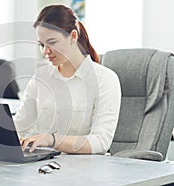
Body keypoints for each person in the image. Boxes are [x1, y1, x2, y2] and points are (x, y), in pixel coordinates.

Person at [13, 4, 121, 154]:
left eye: (52, 42)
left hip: (85, 170)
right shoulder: (40, 77)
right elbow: (19, 127)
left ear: (73, 36)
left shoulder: (105, 79)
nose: (46, 51)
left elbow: (100, 142)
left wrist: (52, 140)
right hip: (40, 166)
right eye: (41, 45)